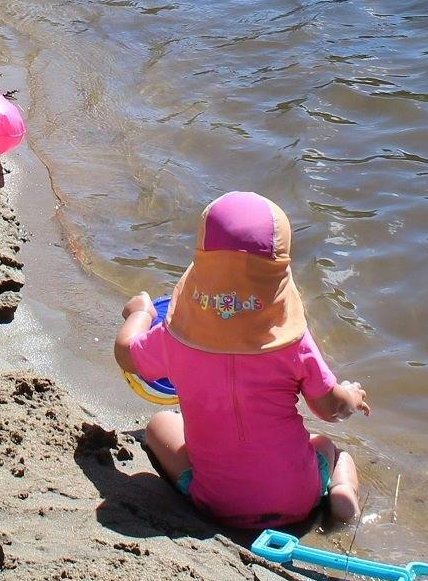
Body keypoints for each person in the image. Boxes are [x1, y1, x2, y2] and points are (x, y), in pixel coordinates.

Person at [113, 191, 368, 533]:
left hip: (217, 504)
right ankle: (341, 493)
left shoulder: (174, 339)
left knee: (160, 423)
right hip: (299, 498)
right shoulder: (293, 345)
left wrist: (141, 313)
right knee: (326, 446)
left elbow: (127, 354)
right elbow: (330, 407)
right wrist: (350, 396)